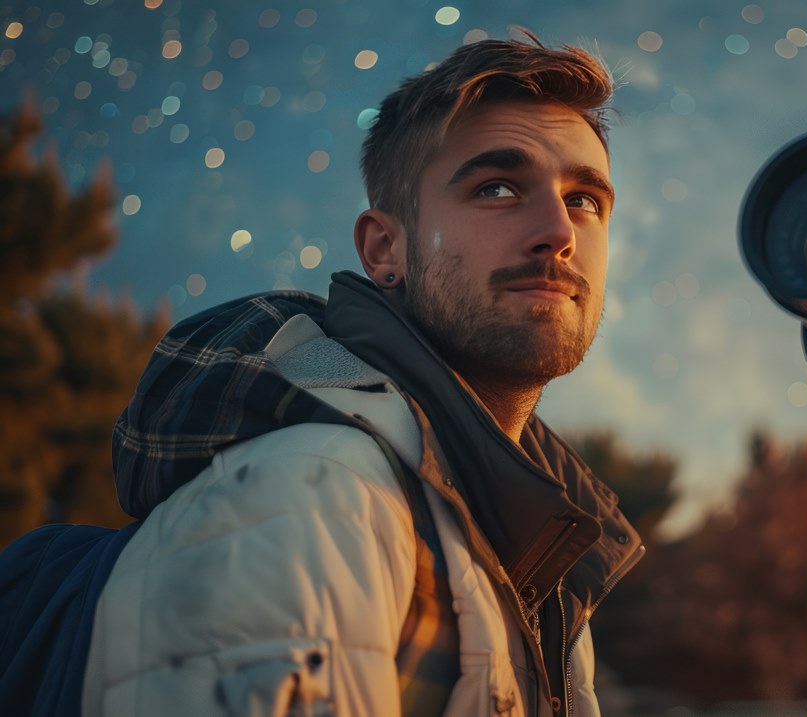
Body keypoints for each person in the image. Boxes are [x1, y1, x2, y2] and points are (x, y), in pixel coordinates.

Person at [80, 32, 643, 717]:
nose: (558, 229)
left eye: (585, 199)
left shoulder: (542, 543)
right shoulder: (314, 488)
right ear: (386, 249)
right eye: (496, 187)